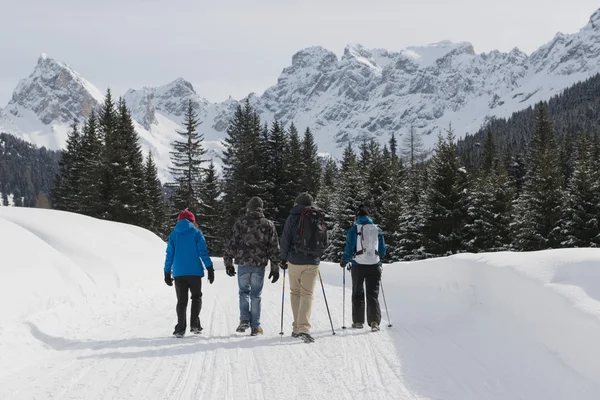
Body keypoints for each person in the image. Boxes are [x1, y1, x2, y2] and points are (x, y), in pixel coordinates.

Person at [224, 197, 281, 336]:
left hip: (243, 264)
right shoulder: (268, 224)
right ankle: (255, 327)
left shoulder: (240, 223)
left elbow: (232, 243)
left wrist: (228, 262)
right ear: (261, 208)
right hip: (259, 265)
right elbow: (274, 247)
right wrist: (275, 268)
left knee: (243, 293)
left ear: (248, 207)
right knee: (256, 295)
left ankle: (244, 320)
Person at [280, 192, 327, 343]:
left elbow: (285, 238)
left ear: (297, 202)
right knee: (307, 294)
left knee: (295, 292)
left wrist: (283, 258)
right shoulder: (317, 216)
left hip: (294, 260)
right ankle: (304, 328)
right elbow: (325, 239)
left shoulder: (292, 216)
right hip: (313, 261)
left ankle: (296, 328)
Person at [164, 209, 215, 338]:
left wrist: (166, 272)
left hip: (179, 273)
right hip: (195, 273)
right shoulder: (197, 233)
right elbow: (203, 252)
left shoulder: (173, 235)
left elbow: (169, 255)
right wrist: (209, 267)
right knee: (196, 298)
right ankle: (195, 325)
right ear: (193, 221)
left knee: (181, 301)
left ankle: (180, 329)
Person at [340, 205, 386, 332]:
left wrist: (345, 259)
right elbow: (382, 250)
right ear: (368, 216)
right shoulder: (378, 229)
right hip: (374, 266)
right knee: (373, 294)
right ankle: (374, 322)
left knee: (357, 293)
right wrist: (379, 259)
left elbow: (349, 246)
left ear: (357, 217)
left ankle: (358, 321)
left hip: (358, 265)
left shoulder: (354, 229)